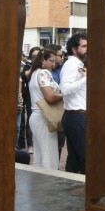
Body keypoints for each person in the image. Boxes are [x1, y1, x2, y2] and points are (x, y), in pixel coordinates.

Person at [28, 49, 62, 170]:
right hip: (44, 116)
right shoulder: (43, 73)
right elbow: (50, 97)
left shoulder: (34, 73)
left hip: (37, 116)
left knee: (39, 156)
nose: (54, 64)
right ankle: (49, 185)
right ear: (43, 60)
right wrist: (65, 94)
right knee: (49, 157)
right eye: (51, 61)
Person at [60, 33, 87, 174]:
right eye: (84, 46)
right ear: (74, 50)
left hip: (76, 116)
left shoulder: (78, 64)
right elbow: (65, 89)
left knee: (75, 159)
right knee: (85, 157)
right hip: (76, 116)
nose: (87, 49)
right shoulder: (72, 65)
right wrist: (85, 79)